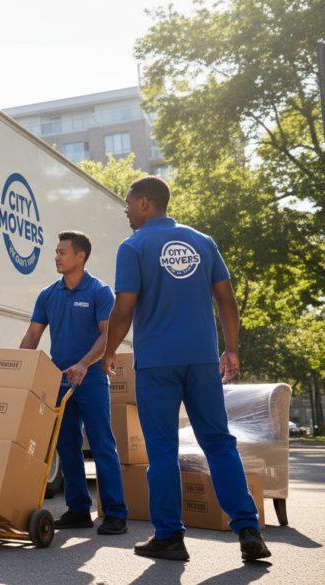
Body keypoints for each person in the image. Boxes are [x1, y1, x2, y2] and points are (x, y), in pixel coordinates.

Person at [101, 176, 270, 562]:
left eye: (128, 203)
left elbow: (124, 309)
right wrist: (230, 349)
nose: (125, 210)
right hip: (203, 358)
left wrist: (109, 352)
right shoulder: (202, 241)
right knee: (218, 442)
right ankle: (248, 530)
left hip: (158, 362)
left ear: (145, 203)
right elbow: (226, 301)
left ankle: (169, 538)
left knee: (162, 449)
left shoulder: (132, 246)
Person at [20, 231, 129, 535]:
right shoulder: (48, 294)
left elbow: (107, 334)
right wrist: (17, 368)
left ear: (80, 256)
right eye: (56, 252)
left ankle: (115, 513)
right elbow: (32, 335)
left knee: (102, 444)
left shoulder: (98, 291)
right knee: (67, 445)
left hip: (91, 379)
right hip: (59, 382)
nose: (56, 257)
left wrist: (84, 364)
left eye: (62, 252)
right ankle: (79, 508)